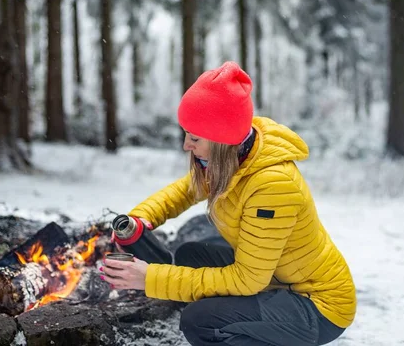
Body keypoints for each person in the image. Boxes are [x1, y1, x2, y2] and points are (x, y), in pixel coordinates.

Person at [101, 61, 356, 346]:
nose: (187, 144)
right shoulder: (236, 156)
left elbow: (248, 280)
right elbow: (186, 190)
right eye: (186, 133)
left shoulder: (272, 185)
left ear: (221, 140)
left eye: (194, 137)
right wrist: (141, 218)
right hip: (275, 278)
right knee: (189, 256)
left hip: (316, 306)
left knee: (199, 322)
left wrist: (151, 278)